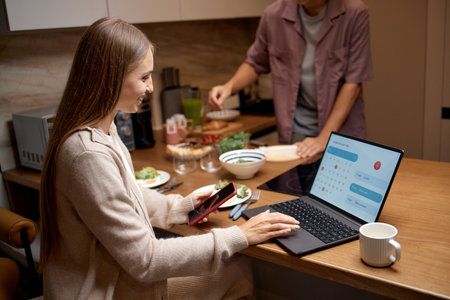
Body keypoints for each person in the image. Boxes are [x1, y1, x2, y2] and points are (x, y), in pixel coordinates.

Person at [39, 17, 299, 299]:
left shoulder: (102, 129)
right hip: (105, 292)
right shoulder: (87, 155)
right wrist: (241, 236)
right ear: (110, 78)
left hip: (120, 282)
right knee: (239, 269)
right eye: (143, 77)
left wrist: (182, 207)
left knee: (236, 267)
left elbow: (126, 193)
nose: (151, 88)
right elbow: (147, 261)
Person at [209, 0, 373, 158]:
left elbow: (353, 82)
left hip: (343, 132)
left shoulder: (355, 12)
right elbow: (255, 63)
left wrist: (324, 138)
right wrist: (229, 87)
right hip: (297, 132)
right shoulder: (273, 15)